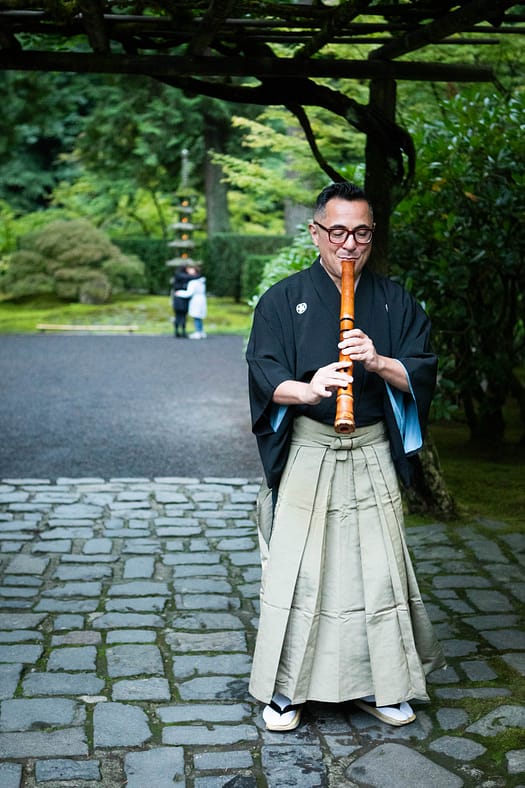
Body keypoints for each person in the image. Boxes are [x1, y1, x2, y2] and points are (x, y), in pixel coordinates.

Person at [246, 181, 446, 733]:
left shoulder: (394, 300)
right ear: (316, 233)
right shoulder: (282, 299)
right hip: (311, 446)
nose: (349, 244)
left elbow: (421, 371)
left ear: (372, 235)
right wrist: (310, 388)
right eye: (337, 232)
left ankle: (383, 683)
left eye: (361, 233)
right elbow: (264, 376)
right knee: (300, 572)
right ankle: (288, 689)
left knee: (376, 572)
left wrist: (377, 361)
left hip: (371, 445)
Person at [175, 265, 207, 339]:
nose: (188, 271)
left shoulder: (193, 282)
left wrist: (179, 293)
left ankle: (198, 332)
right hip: (202, 299)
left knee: (196, 317)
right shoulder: (201, 281)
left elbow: (189, 293)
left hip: (196, 300)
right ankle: (201, 331)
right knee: (199, 317)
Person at [171, 265, 198, 338]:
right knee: (181, 316)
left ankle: (179, 331)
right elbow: (191, 277)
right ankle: (179, 331)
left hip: (180, 298)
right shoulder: (181, 275)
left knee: (180, 316)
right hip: (180, 299)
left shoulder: (179, 275)